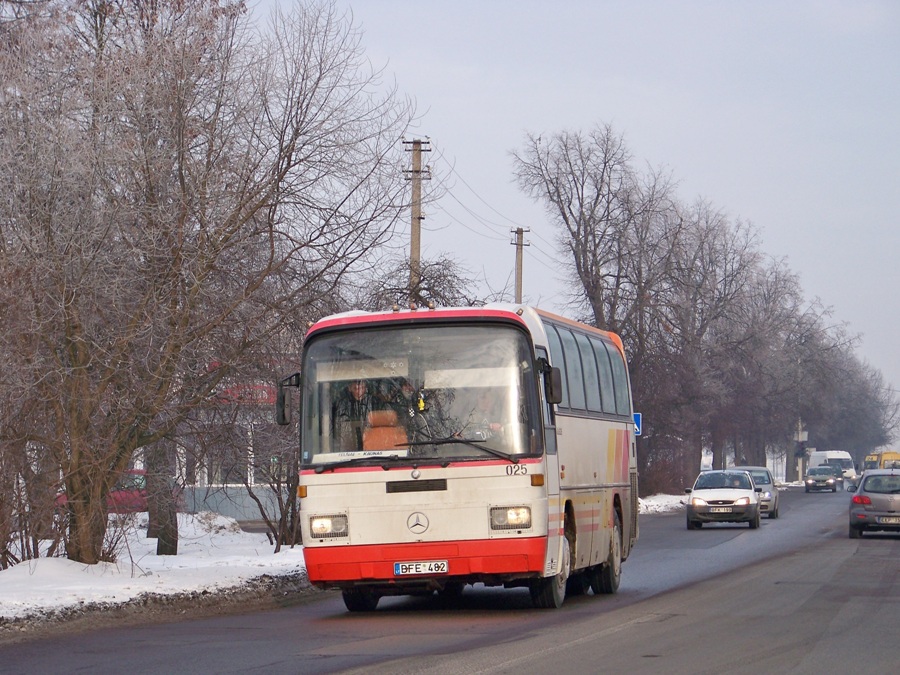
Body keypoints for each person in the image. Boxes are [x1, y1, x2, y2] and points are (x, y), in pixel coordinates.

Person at [331, 380, 376, 451]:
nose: (359, 392)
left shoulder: (374, 403)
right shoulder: (340, 406)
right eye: (356, 389)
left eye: (362, 388)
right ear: (350, 388)